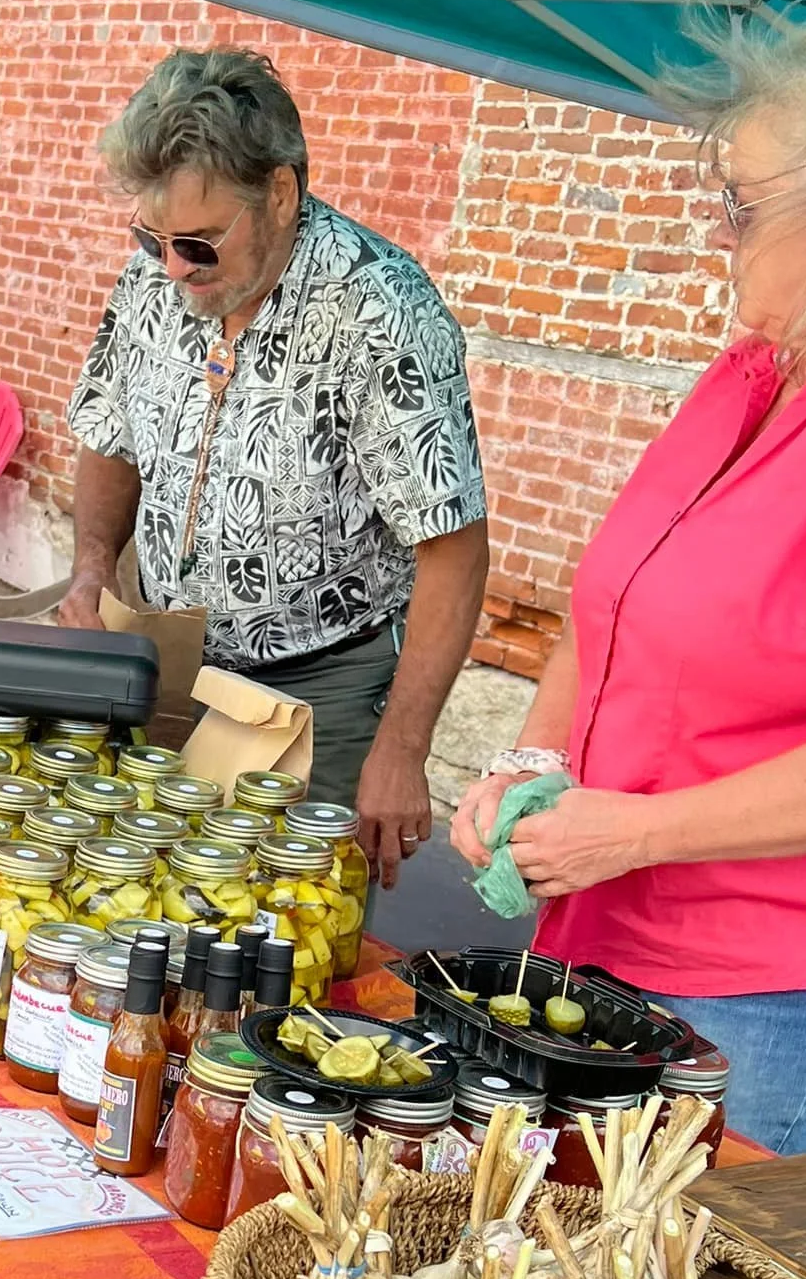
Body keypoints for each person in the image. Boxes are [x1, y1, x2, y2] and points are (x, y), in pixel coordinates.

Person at [451, 19, 806, 1157]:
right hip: (597, 934)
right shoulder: (750, 370)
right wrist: (530, 754)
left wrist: (643, 832)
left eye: (743, 206)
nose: (717, 232)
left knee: (677, 1259)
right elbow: (610, 601)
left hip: (755, 993)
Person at [64, 48, 490, 886]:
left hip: (321, 692)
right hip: (170, 662)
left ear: (282, 193)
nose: (173, 268)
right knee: (147, 903)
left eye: (198, 243)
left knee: (287, 928)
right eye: (151, 238)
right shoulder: (153, 280)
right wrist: (90, 569)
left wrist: (402, 747)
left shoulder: (382, 309)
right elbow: (109, 431)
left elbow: (453, 545)